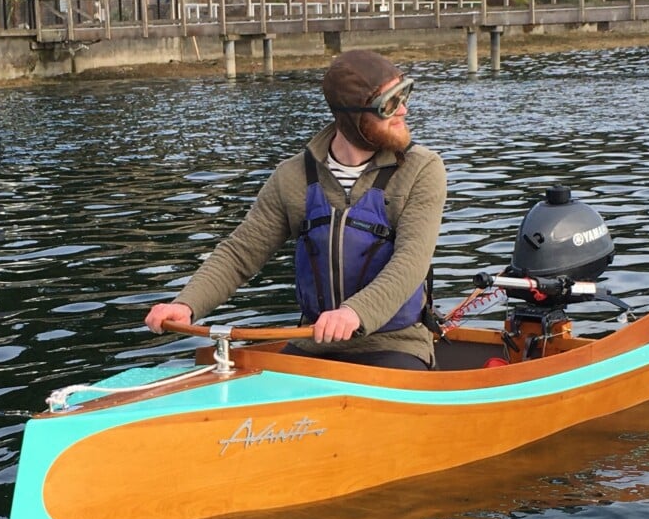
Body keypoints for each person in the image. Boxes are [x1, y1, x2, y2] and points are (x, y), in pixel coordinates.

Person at [145, 49, 448, 370]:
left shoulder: (423, 169)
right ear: (351, 116)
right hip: (312, 343)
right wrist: (187, 304)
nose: (403, 110)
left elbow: (412, 261)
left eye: (404, 95)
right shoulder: (292, 176)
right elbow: (240, 253)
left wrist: (354, 313)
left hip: (395, 345)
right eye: (389, 104)